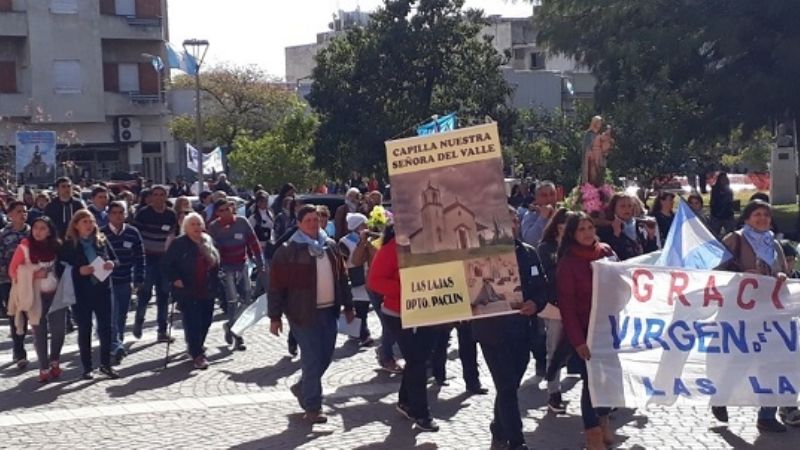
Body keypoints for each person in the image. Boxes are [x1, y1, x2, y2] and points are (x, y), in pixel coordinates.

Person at [269, 204, 354, 424]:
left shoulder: (331, 246)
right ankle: (313, 406)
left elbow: (343, 278)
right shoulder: (289, 249)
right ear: (298, 224)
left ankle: (303, 386)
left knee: (325, 356)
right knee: (312, 358)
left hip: (329, 311)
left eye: (316, 220)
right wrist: (275, 316)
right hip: (302, 314)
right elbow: (276, 285)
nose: (314, 224)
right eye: (308, 221)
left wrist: (349, 305)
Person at [472, 205, 547, 450]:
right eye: (504, 221)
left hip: (522, 332)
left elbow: (542, 288)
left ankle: (498, 426)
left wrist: (534, 303)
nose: (510, 225)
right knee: (506, 386)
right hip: (492, 332)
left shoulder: (529, 253)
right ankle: (517, 441)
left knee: (510, 385)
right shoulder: (479, 256)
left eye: (513, 221)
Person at [712, 200, 789, 432]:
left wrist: (782, 275)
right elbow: (713, 273)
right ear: (746, 218)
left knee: (774, 363)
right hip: (740, 313)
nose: (763, 218)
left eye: (766, 214)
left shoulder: (773, 244)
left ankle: (767, 415)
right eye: (757, 214)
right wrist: (741, 274)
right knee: (741, 359)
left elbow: (784, 269)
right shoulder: (734, 240)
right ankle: (721, 397)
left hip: (770, 312)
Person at [368, 224, 439, 432]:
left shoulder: (433, 245)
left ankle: (405, 402)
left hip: (428, 312)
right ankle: (421, 413)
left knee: (420, 360)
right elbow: (375, 281)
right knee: (417, 361)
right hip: (398, 314)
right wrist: (409, 289)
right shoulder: (392, 248)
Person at [557, 212, 617, 449]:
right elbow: (567, 308)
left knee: (605, 381)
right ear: (572, 234)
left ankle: (603, 424)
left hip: (609, 329)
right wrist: (578, 341)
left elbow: (622, 283)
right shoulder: (568, 263)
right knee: (590, 382)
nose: (587, 232)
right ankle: (592, 433)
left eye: (590, 227)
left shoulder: (607, 252)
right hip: (585, 332)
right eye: (581, 229)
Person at [59, 210, 119, 380]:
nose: (89, 224)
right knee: (85, 329)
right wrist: (79, 270)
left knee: (106, 328)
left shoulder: (101, 241)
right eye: (84, 221)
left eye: (91, 221)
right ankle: (87, 367)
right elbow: (60, 268)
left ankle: (106, 365)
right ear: (76, 225)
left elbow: (116, 260)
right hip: (81, 293)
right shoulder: (69, 245)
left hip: (103, 290)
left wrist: (111, 264)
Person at [162, 212, 220, 370]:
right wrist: (175, 279)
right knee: (193, 322)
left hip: (207, 289)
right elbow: (167, 265)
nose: (196, 227)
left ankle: (196, 347)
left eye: (198, 224)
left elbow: (215, 264)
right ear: (185, 228)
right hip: (187, 289)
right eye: (192, 224)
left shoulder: (207, 241)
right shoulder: (178, 244)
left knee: (206, 321)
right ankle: (197, 354)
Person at [9, 216, 63, 383]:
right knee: (39, 332)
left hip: (56, 293)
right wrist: (32, 273)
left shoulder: (56, 246)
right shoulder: (24, 247)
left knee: (59, 330)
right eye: (35, 228)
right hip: (35, 295)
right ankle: (44, 367)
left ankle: (55, 359)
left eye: (42, 228)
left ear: (49, 231)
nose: (38, 232)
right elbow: (12, 271)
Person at [208, 199, 264, 351]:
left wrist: (260, 263)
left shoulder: (242, 222)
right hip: (226, 267)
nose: (225, 212)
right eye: (221, 210)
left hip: (242, 264)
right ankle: (238, 335)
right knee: (232, 300)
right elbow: (211, 250)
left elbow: (254, 242)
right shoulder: (214, 228)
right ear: (217, 213)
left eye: (227, 209)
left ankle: (230, 325)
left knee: (246, 299)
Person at [101, 201, 145, 364]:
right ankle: (115, 344)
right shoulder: (101, 234)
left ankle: (117, 339)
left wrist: (139, 278)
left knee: (122, 314)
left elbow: (140, 257)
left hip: (126, 279)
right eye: (115, 213)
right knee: (111, 314)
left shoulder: (133, 233)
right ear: (109, 215)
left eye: (121, 212)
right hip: (108, 282)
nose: (118, 216)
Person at [132, 185, 177, 343]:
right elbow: (136, 236)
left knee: (163, 295)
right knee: (144, 294)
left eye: (162, 194)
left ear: (166, 197)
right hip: (147, 259)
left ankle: (162, 330)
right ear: (151, 196)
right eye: (155, 194)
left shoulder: (171, 214)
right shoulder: (143, 214)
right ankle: (138, 322)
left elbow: (173, 235)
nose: (158, 197)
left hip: (164, 260)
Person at [537, 207, 570, 413]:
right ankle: (553, 391)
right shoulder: (546, 247)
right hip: (556, 304)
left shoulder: (577, 246)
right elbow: (549, 274)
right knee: (554, 348)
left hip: (576, 304)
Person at [0, 201, 31, 369]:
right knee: (15, 316)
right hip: (9, 281)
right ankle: (19, 351)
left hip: (31, 281)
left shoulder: (33, 233)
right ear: (10, 214)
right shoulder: (3, 234)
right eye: (19, 211)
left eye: (24, 211)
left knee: (27, 315)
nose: (22, 214)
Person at [337, 213, 374, 347]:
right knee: (360, 307)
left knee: (363, 306)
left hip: (366, 275)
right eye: (364, 224)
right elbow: (343, 262)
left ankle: (355, 332)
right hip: (354, 277)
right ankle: (365, 334)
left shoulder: (369, 240)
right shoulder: (344, 242)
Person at [597, 193, 658, 261]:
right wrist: (616, 235)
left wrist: (651, 236)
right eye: (623, 206)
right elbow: (612, 258)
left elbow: (650, 255)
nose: (627, 209)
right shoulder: (605, 230)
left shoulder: (639, 226)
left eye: (630, 206)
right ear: (614, 208)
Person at [520, 181, 557, 246]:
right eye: (544, 195)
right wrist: (542, 218)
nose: (549, 198)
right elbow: (530, 240)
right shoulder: (530, 215)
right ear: (536, 198)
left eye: (552, 194)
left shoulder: (562, 211)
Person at [710, 172, 736, 237]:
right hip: (716, 214)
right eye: (722, 179)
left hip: (727, 214)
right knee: (713, 234)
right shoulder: (715, 189)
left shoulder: (729, 190)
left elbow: (730, 201)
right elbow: (713, 201)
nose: (723, 180)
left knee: (731, 234)